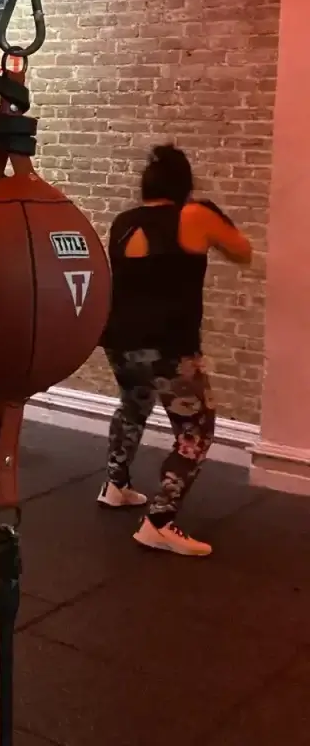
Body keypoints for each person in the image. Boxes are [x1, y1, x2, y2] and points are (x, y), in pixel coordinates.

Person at [99, 144, 251, 557]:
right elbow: (243, 251)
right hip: (169, 347)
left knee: (133, 406)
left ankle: (116, 485)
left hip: (119, 341)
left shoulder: (123, 222)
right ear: (184, 184)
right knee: (196, 431)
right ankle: (159, 522)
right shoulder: (194, 215)